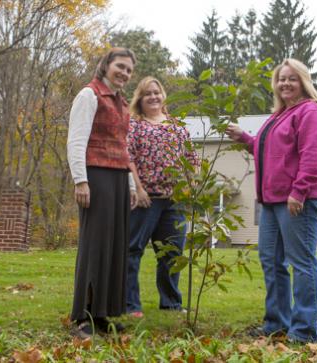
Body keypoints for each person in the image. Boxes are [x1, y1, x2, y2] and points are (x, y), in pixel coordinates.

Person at [226, 58, 317, 343]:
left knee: (302, 262)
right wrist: (245, 138)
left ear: (304, 82)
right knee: (271, 261)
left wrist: (299, 192)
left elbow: (313, 156)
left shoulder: (311, 112)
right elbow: (271, 151)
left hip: (300, 199)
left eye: (292, 78)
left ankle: (305, 330)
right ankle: (277, 323)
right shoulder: (279, 115)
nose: (285, 83)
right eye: (281, 79)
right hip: (272, 201)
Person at [67, 47, 137, 338]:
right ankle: (82, 317)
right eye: (120, 66)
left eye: (129, 70)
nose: (124, 73)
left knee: (114, 247)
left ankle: (102, 313)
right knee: (95, 246)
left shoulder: (121, 103)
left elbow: (124, 146)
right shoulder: (89, 95)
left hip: (119, 178)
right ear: (106, 65)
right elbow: (76, 139)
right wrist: (80, 180)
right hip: (95, 175)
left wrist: (131, 183)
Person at [126, 76, 199, 318]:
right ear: (140, 98)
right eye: (148, 94)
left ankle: (171, 303)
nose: (153, 97)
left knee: (172, 254)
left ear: (163, 95)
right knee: (133, 250)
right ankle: (130, 304)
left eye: (157, 92)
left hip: (174, 201)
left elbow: (191, 159)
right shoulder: (135, 125)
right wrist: (138, 188)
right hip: (146, 198)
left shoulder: (177, 126)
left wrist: (191, 184)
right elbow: (129, 158)